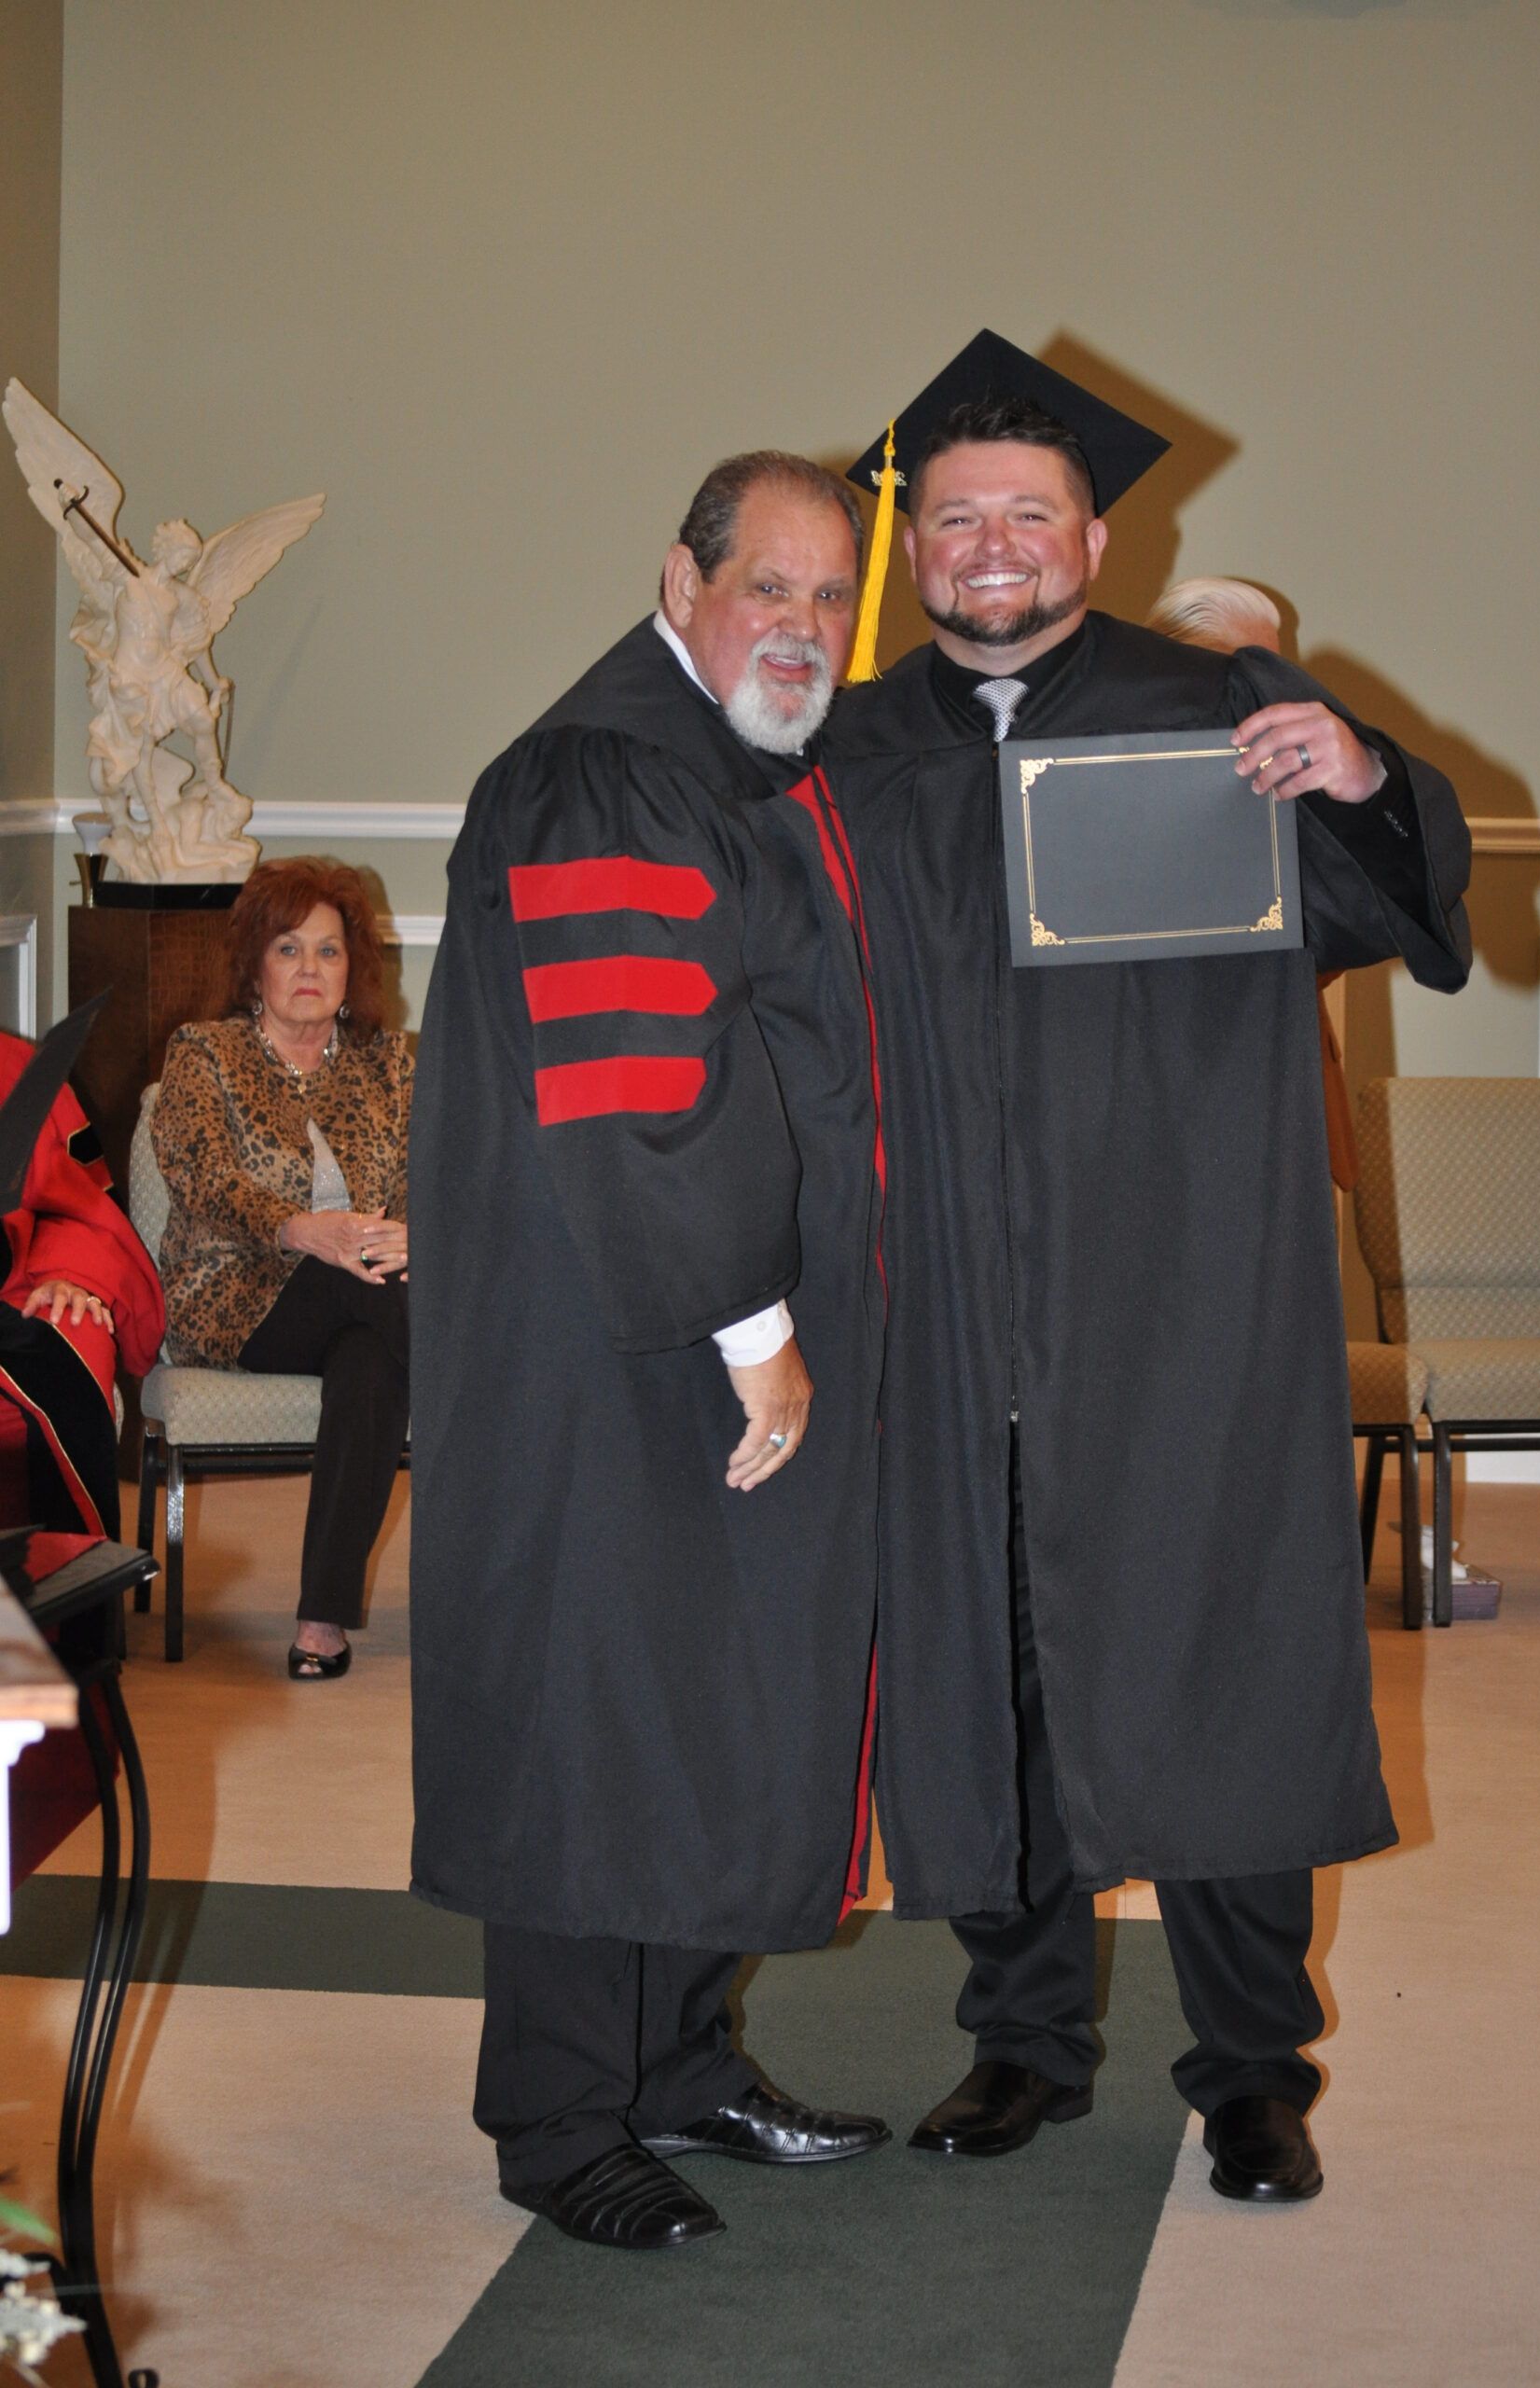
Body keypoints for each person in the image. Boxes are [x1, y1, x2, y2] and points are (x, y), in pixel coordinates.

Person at [824, 332, 1471, 2203]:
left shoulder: (1221, 713)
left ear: (1095, 541)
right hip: (944, 1301)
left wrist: (1354, 768)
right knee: (988, 1669)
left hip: (1183, 1301)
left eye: (1028, 514)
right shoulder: (848, 754)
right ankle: (1020, 2040)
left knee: (1221, 1662)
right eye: (957, 518)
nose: (991, 544)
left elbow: (1397, 903)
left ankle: (1253, 2072)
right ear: (918, 549)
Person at [409, 452, 889, 2252]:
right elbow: (634, 1078)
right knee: (588, 1708)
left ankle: (681, 2062)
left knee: (709, 1692)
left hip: (703, 1319)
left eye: (832, 596)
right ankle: (556, 2117)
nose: (805, 626)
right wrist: (757, 1332)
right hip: (607, 1339)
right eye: (771, 585)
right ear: (680, 581)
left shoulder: (737, 763)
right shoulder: (604, 768)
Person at [151, 857, 411, 1677]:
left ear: (353, 967)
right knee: (380, 1295)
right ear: (254, 964)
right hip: (233, 1291)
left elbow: (441, 1176)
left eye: (328, 951)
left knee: (370, 1362)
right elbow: (200, 1175)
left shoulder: (391, 1064)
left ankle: (320, 1621)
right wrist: (302, 1230)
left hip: (367, 1296)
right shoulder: (205, 1052)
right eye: (288, 948)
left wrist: (416, 1237)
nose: (309, 969)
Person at [1147, 575, 1357, 1190]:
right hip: (1160, 1113)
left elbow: (1339, 936)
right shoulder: (1118, 779)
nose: (1270, 698)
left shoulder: (1297, 772)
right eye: (1250, 675)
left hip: (1284, 1110)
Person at [1, 1032, 164, 1537]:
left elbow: (76, 1204)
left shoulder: (18, 1071)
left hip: (9, 1293)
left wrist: (69, 1275)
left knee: (75, 1329)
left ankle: (66, 1582)